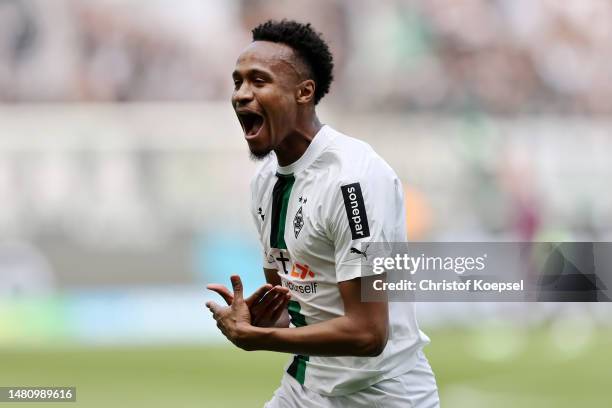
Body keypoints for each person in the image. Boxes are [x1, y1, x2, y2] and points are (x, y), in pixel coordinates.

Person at [206, 19, 439, 407]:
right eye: (238, 82)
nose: (242, 95)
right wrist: (261, 321)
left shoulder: (353, 180)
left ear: (304, 92)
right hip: (306, 391)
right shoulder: (264, 182)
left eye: (259, 81)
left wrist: (261, 339)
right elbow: (295, 310)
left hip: (381, 396)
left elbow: (368, 333)